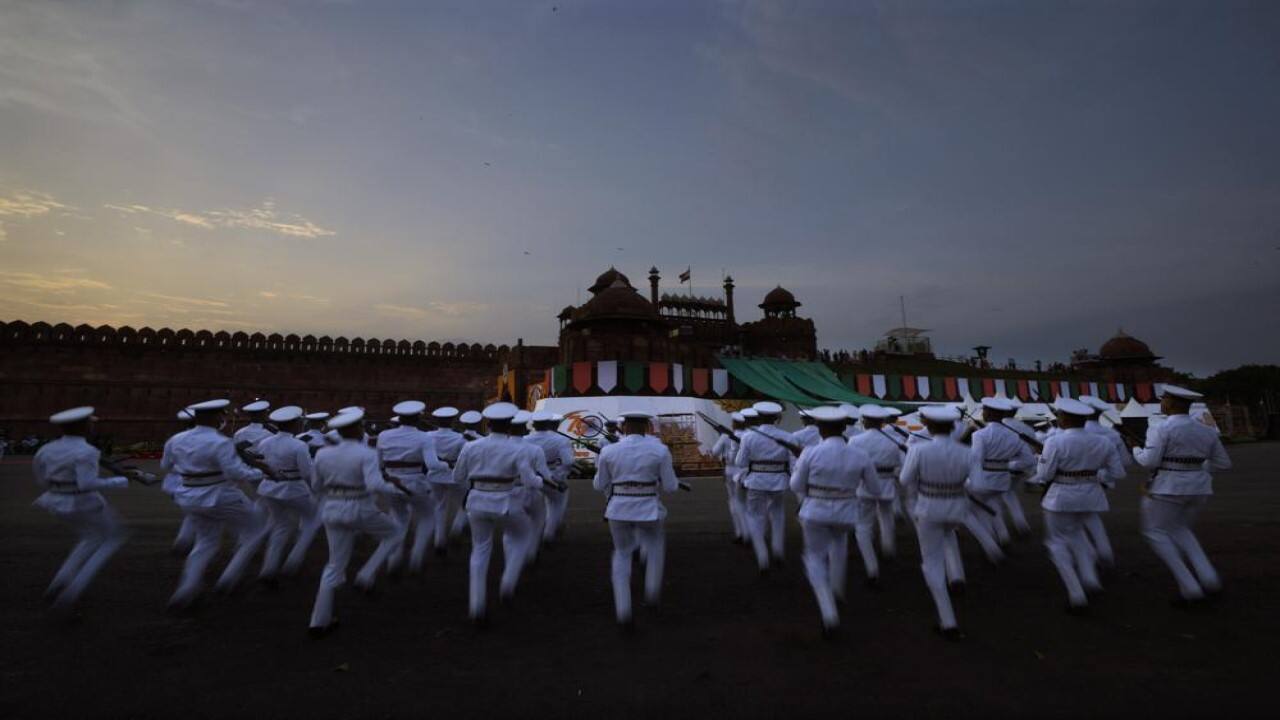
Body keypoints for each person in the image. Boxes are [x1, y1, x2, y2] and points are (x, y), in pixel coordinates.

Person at [308, 408, 410, 636]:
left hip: (332, 507)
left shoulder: (323, 454)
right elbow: (374, 485)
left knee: (333, 566)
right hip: (360, 506)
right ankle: (366, 574)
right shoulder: (366, 453)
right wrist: (398, 489)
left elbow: (316, 486)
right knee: (394, 534)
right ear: (355, 429)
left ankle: (318, 622)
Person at [162, 399, 269, 610]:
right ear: (214, 417)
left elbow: (165, 465)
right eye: (221, 415)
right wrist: (260, 472)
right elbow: (235, 472)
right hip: (220, 494)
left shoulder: (175, 439)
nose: (222, 418)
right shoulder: (220, 442)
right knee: (256, 530)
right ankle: (229, 578)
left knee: (205, 543)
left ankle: (186, 590)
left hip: (189, 496)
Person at [1132, 385, 1231, 606]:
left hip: (1167, 487)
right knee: (1181, 529)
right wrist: (1195, 469)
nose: (1161, 402)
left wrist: (1135, 450)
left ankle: (1190, 587)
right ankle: (1209, 577)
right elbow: (1224, 464)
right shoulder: (1206, 430)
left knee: (1155, 532)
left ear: (1172, 403)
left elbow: (1149, 461)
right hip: (1199, 488)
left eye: (1164, 399)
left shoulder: (1160, 428)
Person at [31, 407, 139, 610]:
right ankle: (73, 591)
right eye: (90, 423)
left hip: (54, 500)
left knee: (90, 537)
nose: (92, 426)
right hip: (82, 502)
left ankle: (61, 581)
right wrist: (121, 480)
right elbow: (87, 484)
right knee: (114, 537)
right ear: (84, 426)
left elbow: (41, 479)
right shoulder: (86, 451)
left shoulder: (46, 449)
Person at [1029, 397, 1124, 614]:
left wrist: (1042, 459)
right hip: (1091, 495)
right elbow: (1118, 472)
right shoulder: (1103, 442)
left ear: (1064, 418)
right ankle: (1090, 578)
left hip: (1061, 497)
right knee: (1077, 535)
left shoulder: (1055, 441)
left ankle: (1076, 593)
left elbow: (1044, 475)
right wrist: (1093, 475)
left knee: (1057, 543)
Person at [790, 406, 877, 634]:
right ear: (843, 428)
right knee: (839, 546)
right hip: (847, 511)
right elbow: (874, 488)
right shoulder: (860, 454)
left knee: (815, 558)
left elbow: (796, 486)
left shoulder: (810, 452)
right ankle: (838, 590)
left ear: (819, 428)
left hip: (815, 511)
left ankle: (828, 610)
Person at [452, 402, 541, 625]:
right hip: (507, 502)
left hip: (477, 503)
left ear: (488, 424)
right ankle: (508, 583)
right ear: (510, 425)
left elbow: (457, 478)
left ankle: (476, 607)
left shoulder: (470, 447)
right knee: (523, 535)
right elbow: (530, 481)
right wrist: (542, 480)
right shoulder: (517, 449)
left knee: (480, 551)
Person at [593, 410, 680, 629]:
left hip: (618, 508)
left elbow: (598, 484)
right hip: (648, 506)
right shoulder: (660, 450)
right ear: (647, 427)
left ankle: (623, 610)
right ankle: (651, 593)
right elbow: (670, 487)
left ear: (623, 427)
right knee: (655, 547)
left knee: (622, 554)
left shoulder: (608, 451)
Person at [898, 405, 976, 639]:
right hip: (955, 509)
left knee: (931, 563)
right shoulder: (967, 452)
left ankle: (948, 620)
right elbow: (977, 484)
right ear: (953, 426)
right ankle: (957, 576)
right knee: (949, 538)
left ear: (928, 426)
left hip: (928, 509)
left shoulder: (919, 450)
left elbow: (904, 480)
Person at [376, 400, 445, 576]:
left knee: (398, 520)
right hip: (415, 482)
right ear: (417, 418)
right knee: (427, 517)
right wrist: (446, 465)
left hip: (390, 482)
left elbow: (378, 463)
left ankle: (394, 559)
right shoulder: (424, 437)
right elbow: (432, 464)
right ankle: (416, 556)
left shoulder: (384, 435)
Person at [255, 405, 320, 585]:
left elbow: (262, 465)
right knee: (312, 519)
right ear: (295, 424)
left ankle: (268, 568)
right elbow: (307, 473)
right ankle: (294, 560)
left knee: (280, 526)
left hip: (268, 488)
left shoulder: (264, 442)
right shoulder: (299, 445)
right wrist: (316, 489)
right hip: (293, 488)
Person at [734, 401, 796, 574]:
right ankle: (777, 549)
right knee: (777, 514)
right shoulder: (788, 436)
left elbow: (740, 462)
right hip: (779, 481)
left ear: (758, 417)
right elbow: (793, 462)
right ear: (777, 417)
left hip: (756, 481)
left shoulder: (749, 436)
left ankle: (762, 557)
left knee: (755, 517)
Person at [965, 397, 1036, 546]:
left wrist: (969, 480)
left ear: (989, 413)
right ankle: (1003, 536)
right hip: (1003, 480)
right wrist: (1007, 465)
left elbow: (976, 460)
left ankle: (991, 544)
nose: (982, 413)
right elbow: (1029, 460)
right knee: (993, 505)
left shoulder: (979, 435)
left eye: (984, 410)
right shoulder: (1014, 435)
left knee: (975, 510)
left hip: (983, 480)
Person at [849, 404, 906, 578]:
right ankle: (888, 547)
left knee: (863, 526)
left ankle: (871, 566)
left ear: (864, 421)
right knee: (886, 517)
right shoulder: (894, 441)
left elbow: (851, 467)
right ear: (882, 422)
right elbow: (901, 466)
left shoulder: (856, 441)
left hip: (864, 485)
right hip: (887, 484)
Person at [1079, 396, 1132, 567]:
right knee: (1091, 515)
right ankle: (1104, 551)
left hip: (1074, 481)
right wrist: (1104, 475)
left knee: (1076, 520)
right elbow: (1125, 462)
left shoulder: (1071, 433)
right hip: (1102, 481)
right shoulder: (1113, 434)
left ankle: (1092, 554)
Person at [526, 411, 575, 542]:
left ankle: (532, 539)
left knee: (533, 511)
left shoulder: (525, 439)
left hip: (531, 476)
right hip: (553, 475)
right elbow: (569, 461)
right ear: (549, 423)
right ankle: (549, 532)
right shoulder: (560, 440)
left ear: (533, 425)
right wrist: (561, 474)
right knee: (556, 505)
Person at [425, 406, 467, 554]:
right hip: (454, 474)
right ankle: (457, 526)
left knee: (439, 507)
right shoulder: (460, 438)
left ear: (436, 420)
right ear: (453, 421)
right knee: (465, 504)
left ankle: (439, 539)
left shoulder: (428, 436)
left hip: (434, 475)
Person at [162, 408, 198, 556]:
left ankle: (184, 543)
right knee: (194, 514)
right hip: (193, 483)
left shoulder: (174, 439)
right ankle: (183, 543)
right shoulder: (210, 439)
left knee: (193, 514)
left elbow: (164, 465)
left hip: (173, 483)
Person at [711, 413, 748, 544]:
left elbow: (714, 452)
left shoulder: (726, 436)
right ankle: (749, 530)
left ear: (733, 423)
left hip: (731, 471)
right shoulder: (749, 435)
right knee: (747, 503)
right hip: (747, 472)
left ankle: (741, 532)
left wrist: (721, 438)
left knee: (734, 502)